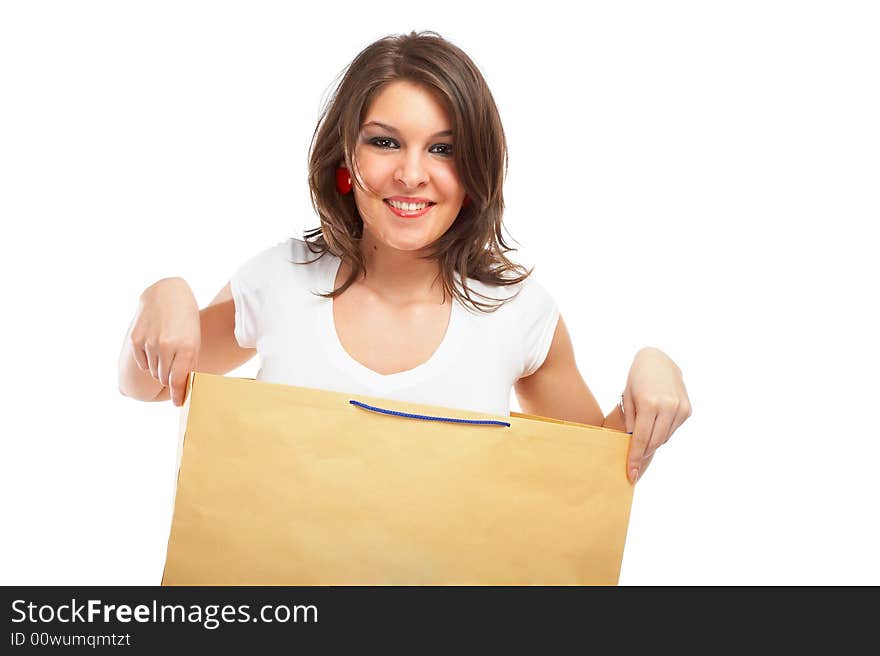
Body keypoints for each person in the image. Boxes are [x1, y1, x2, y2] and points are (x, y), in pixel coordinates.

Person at [117, 30, 691, 484]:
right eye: (385, 141)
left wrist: (651, 369)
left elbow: (590, 478)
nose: (412, 174)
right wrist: (162, 293)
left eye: (443, 149)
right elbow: (143, 385)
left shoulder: (519, 314)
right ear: (346, 156)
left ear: (475, 171)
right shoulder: (279, 280)